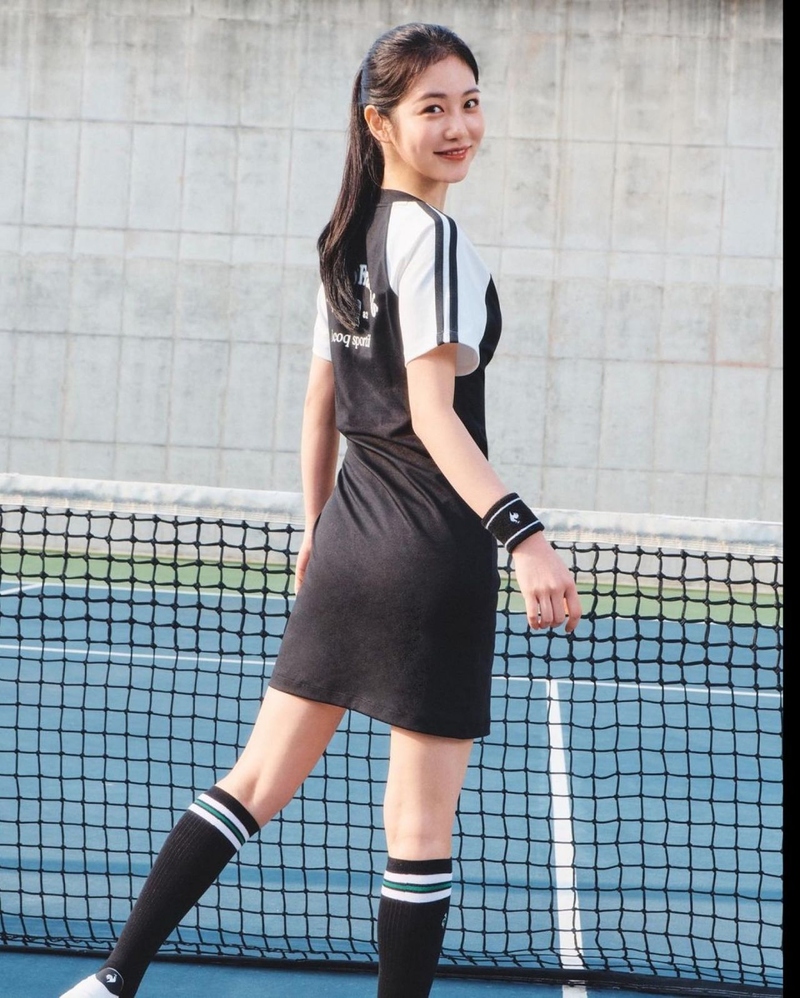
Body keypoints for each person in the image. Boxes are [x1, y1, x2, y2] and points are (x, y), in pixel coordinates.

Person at [60, 21, 581, 998]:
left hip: (349, 545)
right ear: (379, 122)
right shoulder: (432, 239)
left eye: (470, 103)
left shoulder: (345, 243)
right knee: (417, 827)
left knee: (253, 781)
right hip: (429, 556)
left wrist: (315, 533)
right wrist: (524, 535)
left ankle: (113, 978)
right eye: (433, 108)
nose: (460, 126)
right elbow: (432, 416)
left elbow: (319, 407)